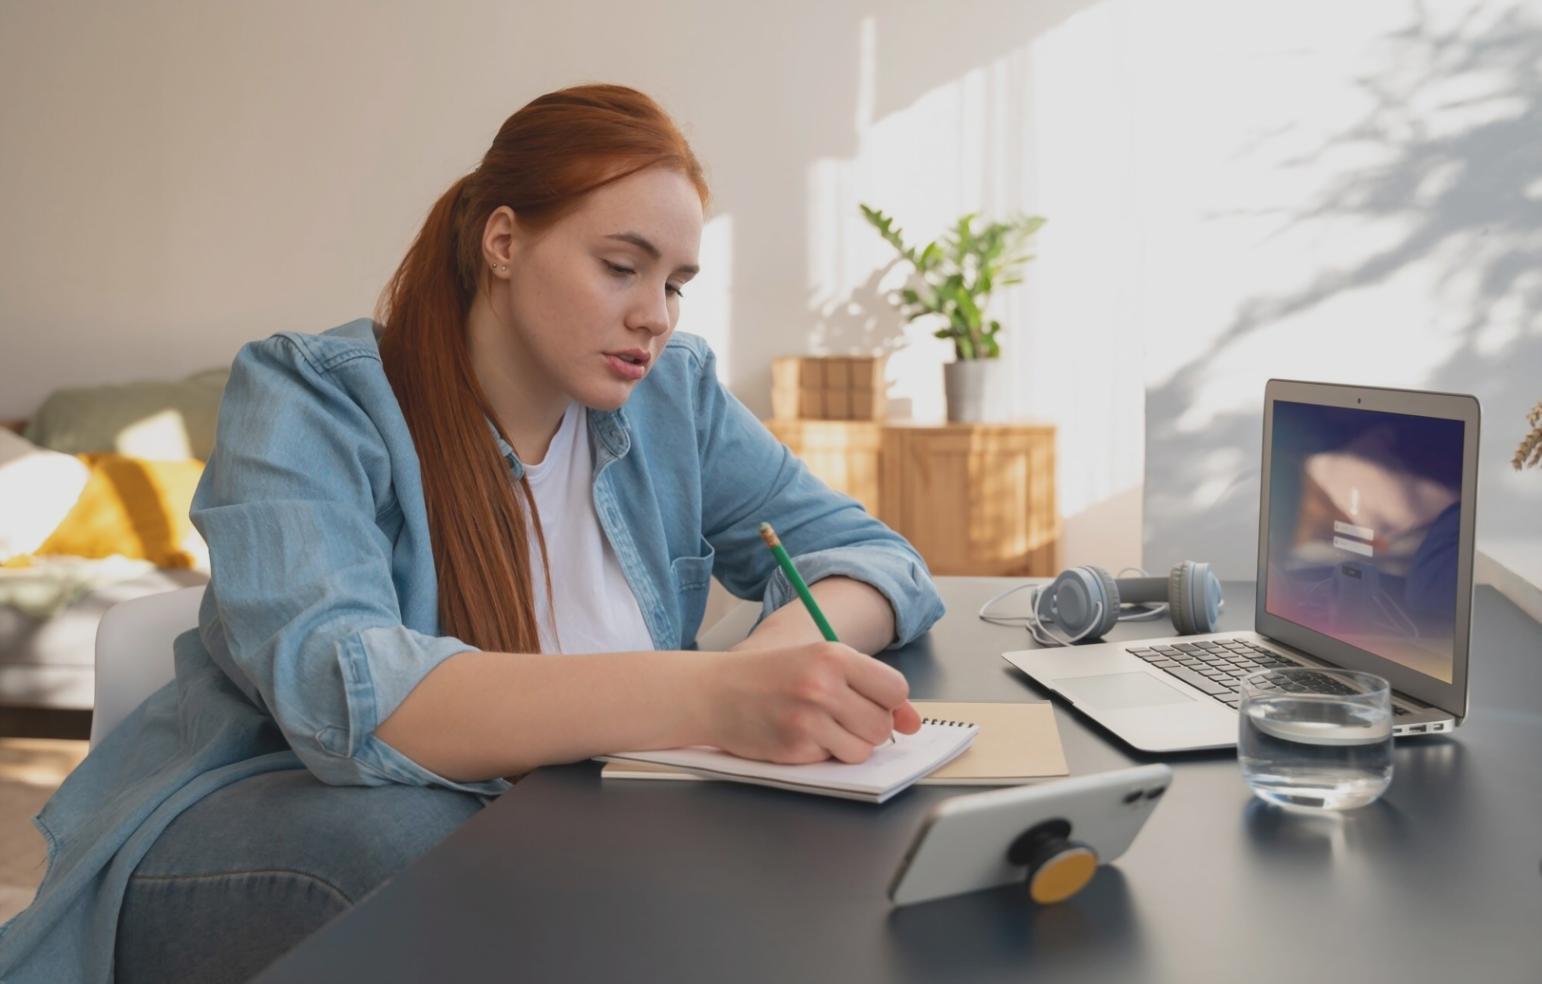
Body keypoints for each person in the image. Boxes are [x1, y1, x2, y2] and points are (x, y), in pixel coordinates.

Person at [0, 84, 943, 983]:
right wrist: (712, 693)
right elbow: (353, 699)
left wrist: (774, 668)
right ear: (503, 240)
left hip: (557, 842)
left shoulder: (674, 397)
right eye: (621, 266)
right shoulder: (311, 396)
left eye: (676, 282)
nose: (654, 315)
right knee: (427, 847)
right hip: (276, 826)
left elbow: (869, 557)